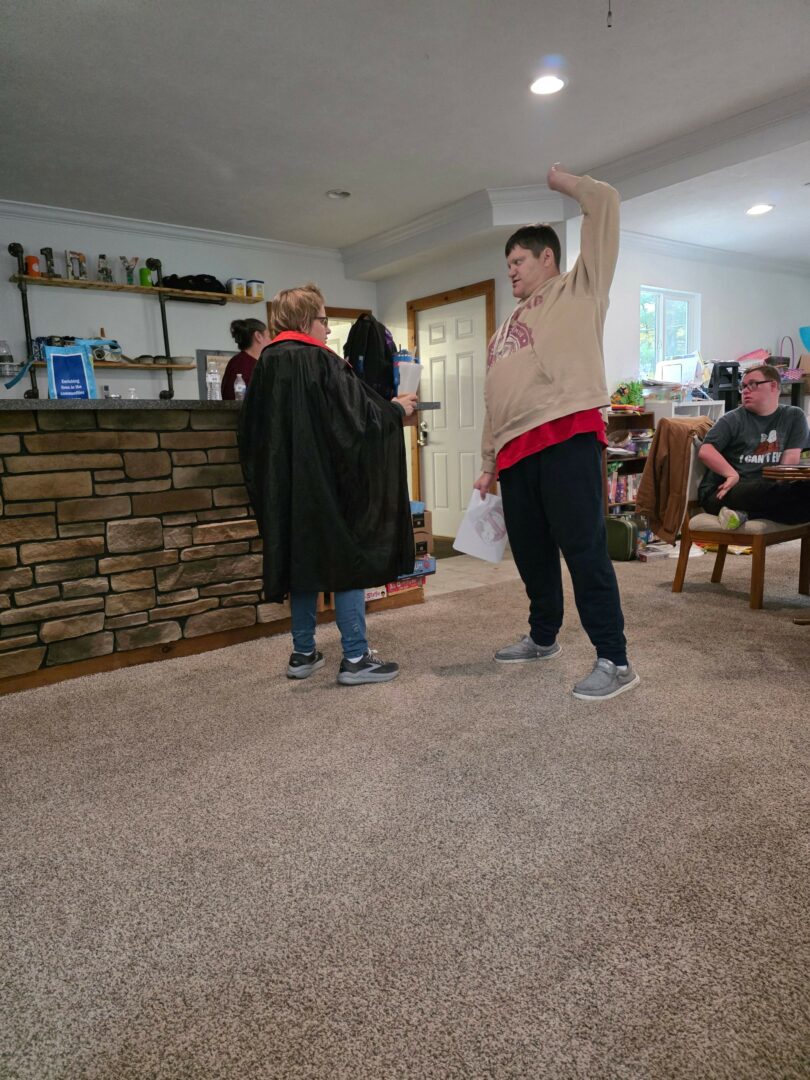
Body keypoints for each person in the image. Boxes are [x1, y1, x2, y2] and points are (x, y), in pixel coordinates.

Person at [472, 163, 639, 702]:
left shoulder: (581, 288)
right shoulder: (503, 330)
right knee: (531, 554)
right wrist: (487, 463)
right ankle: (543, 637)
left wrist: (565, 184)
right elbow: (494, 398)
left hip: (566, 435)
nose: (511, 272)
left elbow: (605, 203)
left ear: (547, 257)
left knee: (584, 549)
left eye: (518, 260)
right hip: (515, 452)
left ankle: (615, 660)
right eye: (507, 264)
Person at [238, 283, 418, 685]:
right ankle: (355, 657)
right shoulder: (322, 362)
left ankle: (303, 654)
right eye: (323, 319)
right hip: (330, 485)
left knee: (302, 560)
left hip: (287, 489)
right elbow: (358, 421)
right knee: (348, 557)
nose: (328, 329)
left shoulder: (266, 364)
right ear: (305, 320)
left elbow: (251, 432)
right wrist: (394, 410)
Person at [698, 363, 810, 527]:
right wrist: (732, 474)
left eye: (752, 384)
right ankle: (752, 511)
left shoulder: (794, 416)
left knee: (798, 502)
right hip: (724, 490)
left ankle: (746, 515)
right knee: (771, 491)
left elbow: (790, 461)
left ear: (773, 386)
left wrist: (787, 487)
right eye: (743, 386)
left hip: (769, 490)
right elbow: (706, 451)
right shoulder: (733, 419)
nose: (745, 391)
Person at [221, 318, 272, 399]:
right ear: (258, 336)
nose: (271, 341)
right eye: (269, 336)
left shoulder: (238, 361)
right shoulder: (243, 365)